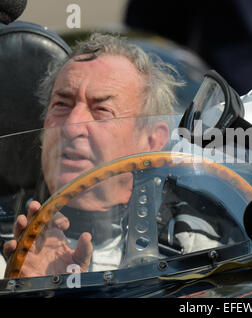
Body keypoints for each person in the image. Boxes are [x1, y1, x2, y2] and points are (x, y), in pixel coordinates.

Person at [1, 33, 198, 277]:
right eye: (62, 104)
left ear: (151, 140)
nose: (72, 127)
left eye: (102, 110)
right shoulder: (6, 240)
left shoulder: (193, 241)